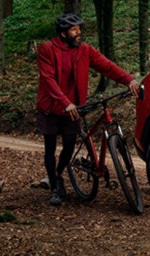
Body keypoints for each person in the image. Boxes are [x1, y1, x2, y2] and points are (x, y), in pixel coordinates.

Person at [36, 12, 140, 205]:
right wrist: (64, 102)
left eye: (79, 28)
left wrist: (129, 80)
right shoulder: (47, 49)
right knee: (49, 147)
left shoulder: (84, 50)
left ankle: (58, 173)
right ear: (63, 33)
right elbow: (48, 79)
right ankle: (54, 188)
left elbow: (107, 66)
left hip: (74, 109)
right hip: (51, 108)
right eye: (74, 29)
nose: (79, 32)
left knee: (69, 145)